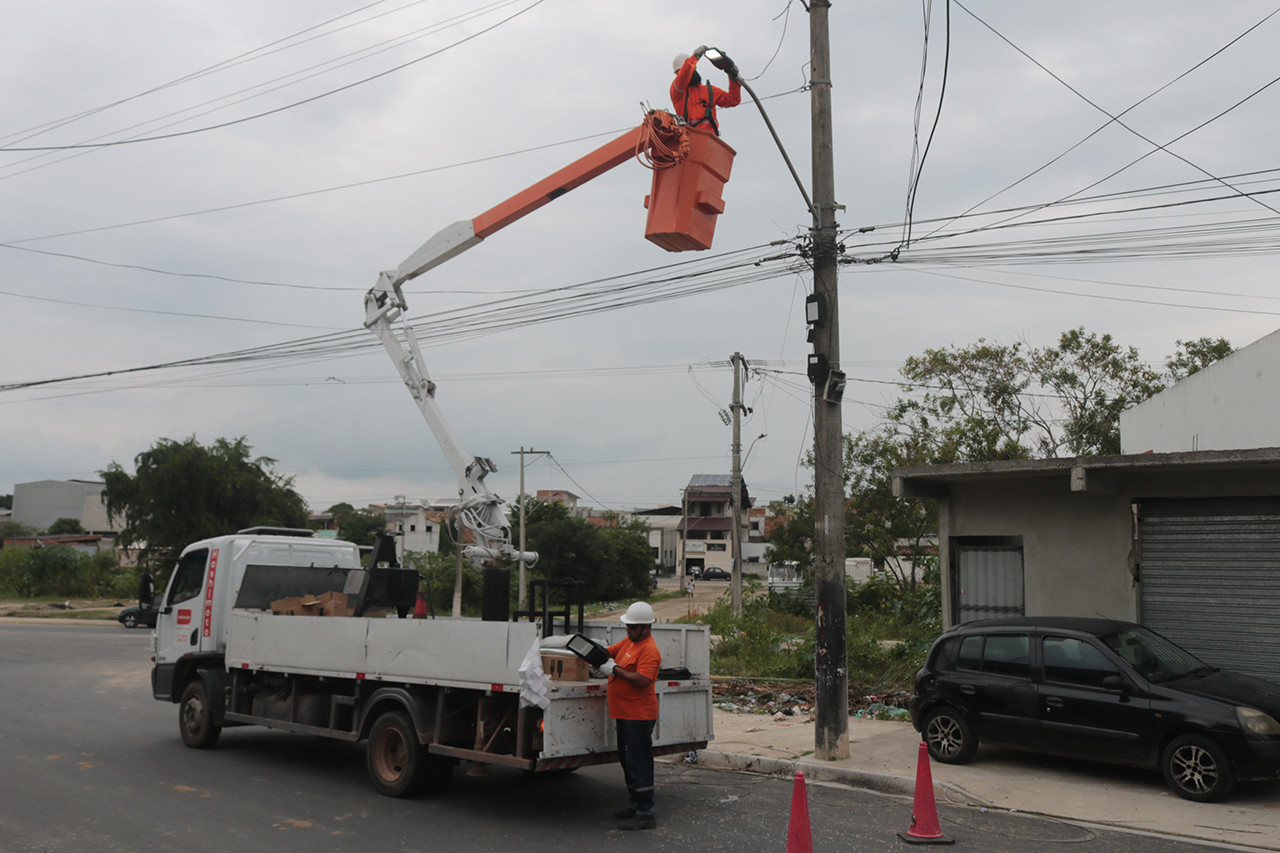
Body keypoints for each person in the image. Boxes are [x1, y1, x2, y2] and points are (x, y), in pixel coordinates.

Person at [601, 601, 662, 830]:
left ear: (646, 628)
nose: (628, 630)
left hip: (639, 715)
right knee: (627, 759)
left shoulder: (649, 650)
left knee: (639, 761)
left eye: (633, 627)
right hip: (625, 713)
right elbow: (610, 652)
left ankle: (646, 813)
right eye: (627, 627)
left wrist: (614, 670)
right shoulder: (630, 641)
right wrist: (592, 652)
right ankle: (636, 804)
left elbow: (643, 680)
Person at [670, 45, 741, 136]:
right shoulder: (677, 91)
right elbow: (684, 75)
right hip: (689, 140)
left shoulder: (709, 91)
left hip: (710, 141)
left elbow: (733, 100)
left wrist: (733, 79)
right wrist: (695, 57)